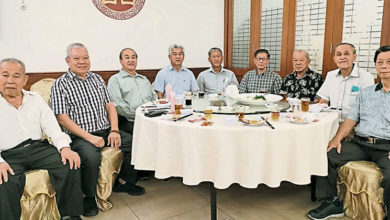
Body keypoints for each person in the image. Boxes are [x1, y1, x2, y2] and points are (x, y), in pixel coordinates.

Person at [50, 43, 145, 217]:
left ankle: (123, 182)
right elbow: (62, 118)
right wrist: (90, 138)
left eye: (85, 58)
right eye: (77, 58)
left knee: (134, 142)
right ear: (67, 60)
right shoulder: (60, 85)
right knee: (90, 157)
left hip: (106, 129)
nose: (82, 62)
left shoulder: (97, 79)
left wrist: (115, 130)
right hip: (80, 136)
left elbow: (110, 106)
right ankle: (89, 196)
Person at [308, 45, 390, 220]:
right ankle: (333, 201)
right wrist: (337, 139)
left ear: (355, 57)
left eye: (389, 62)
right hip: (361, 143)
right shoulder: (366, 93)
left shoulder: (364, 78)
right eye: (380, 62)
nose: (384, 66)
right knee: (329, 154)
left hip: (386, 147)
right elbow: (352, 118)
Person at [0, 58, 83, 220]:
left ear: (25, 80)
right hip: (9, 155)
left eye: (16, 76)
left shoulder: (35, 98)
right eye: (5, 75)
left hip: (38, 148)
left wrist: (65, 147)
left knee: (70, 163)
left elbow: (52, 127)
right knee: (3, 182)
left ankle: (70, 215)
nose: (10, 80)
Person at [316, 43, 374, 121]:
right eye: (339, 54)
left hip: (353, 125)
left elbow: (367, 108)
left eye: (346, 54)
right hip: (331, 122)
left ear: (354, 57)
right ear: (335, 59)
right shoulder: (331, 75)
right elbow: (323, 101)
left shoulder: (366, 77)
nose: (342, 57)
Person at [108, 48, 157, 135]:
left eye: (133, 57)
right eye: (127, 57)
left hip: (152, 118)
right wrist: (140, 115)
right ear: (121, 61)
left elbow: (154, 98)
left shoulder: (144, 79)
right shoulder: (115, 80)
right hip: (130, 121)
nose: (131, 60)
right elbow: (118, 106)